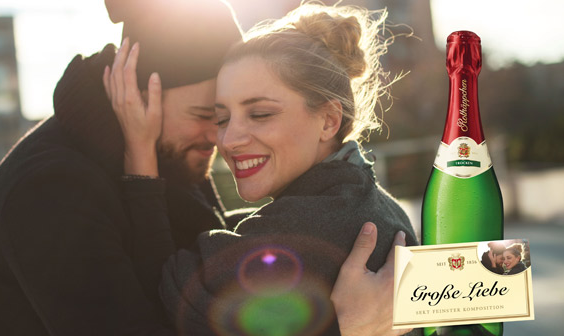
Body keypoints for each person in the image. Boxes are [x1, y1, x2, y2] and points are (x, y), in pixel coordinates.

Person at [106, 3, 419, 335]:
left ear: (328, 120)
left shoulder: (309, 225)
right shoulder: (375, 204)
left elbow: (164, 294)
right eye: (222, 118)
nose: (229, 140)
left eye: (260, 114)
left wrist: (140, 152)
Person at [0, 1, 243, 334]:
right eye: (201, 115)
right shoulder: (50, 188)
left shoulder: (164, 154)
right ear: (136, 98)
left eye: (223, 117)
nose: (219, 136)